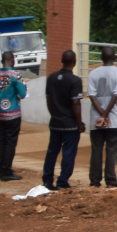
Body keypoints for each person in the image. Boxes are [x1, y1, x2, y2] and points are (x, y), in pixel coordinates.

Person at [84, 48, 117, 188]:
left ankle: (94, 181)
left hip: (96, 120)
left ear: (101, 58)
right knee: (111, 151)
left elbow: (91, 95)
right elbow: (116, 96)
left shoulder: (93, 73)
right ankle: (111, 181)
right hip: (113, 119)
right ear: (115, 57)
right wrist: (106, 115)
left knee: (96, 150)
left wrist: (101, 115)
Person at [42, 51, 84, 190]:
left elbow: (49, 100)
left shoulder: (52, 77)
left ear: (61, 60)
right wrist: (79, 123)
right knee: (68, 153)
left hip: (55, 122)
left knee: (52, 151)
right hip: (70, 124)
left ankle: (47, 181)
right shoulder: (75, 80)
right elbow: (76, 103)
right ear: (74, 62)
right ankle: (62, 182)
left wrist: (54, 114)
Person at [0, 64, 28, 181]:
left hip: (0, 113)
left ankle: (0, 169)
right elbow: (23, 94)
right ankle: (6, 170)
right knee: (11, 142)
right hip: (13, 113)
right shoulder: (16, 76)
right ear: (13, 61)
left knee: (1, 140)